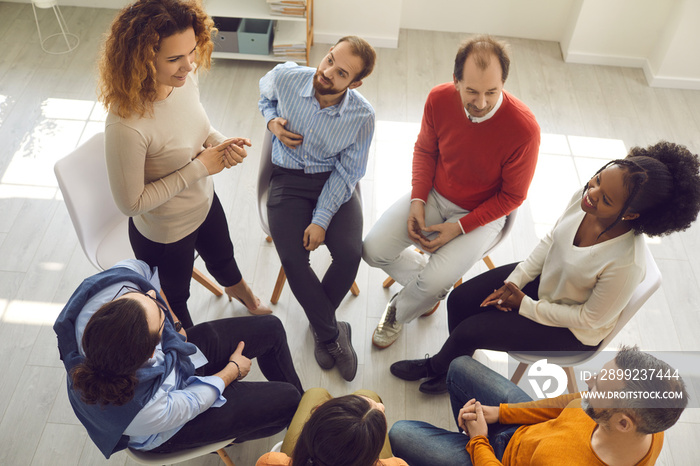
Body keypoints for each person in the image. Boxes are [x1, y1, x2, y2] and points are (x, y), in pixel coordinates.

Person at [390, 141, 700, 394]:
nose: (590, 194)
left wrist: (524, 304)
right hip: (550, 283)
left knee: (469, 331)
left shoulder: (626, 265)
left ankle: (440, 367)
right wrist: (516, 281)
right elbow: (552, 240)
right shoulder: (585, 198)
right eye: (597, 179)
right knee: (459, 301)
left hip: (570, 329)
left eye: (604, 198)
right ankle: (455, 364)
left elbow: (589, 319)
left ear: (630, 216)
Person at [99, 0, 270, 330]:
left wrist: (218, 143)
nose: (189, 65)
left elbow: (197, 127)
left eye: (192, 51)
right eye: (175, 58)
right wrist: (201, 168)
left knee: (223, 256)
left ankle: (241, 292)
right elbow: (130, 204)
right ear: (143, 58)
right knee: (175, 298)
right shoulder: (126, 124)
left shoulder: (182, 79)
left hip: (204, 201)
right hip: (165, 232)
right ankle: (191, 351)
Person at [362, 35, 540, 349]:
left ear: (503, 83)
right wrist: (418, 198)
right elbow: (425, 151)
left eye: (491, 92)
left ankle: (400, 310)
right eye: (471, 90)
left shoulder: (524, 129)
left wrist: (459, 227)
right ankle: (428, 288)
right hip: (435, 194)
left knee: (433, 281)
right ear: (455, 79)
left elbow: (512, 197)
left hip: (482, 214)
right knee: (372, 249)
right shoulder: (438, 98)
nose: (482, 103)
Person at [53, 259, 303, 458]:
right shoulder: (140, 411)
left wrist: (174, 321)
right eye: (159, 316)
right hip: (171, 426)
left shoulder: (107, 294)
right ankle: (272, 426)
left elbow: (146, 277)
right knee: (287, 400)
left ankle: (305, 410)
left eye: (144, 297)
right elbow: (194, 401)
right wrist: (233, 370)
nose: (153, 296)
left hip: (178, 363)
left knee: (271, 328)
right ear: (153, 351)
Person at [258, 36, 376, 381]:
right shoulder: (287, 77)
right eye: (328, 60)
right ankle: (331, 334)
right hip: (287, 178)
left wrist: (321, 219)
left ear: (355, 83)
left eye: (341, 73)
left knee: (351, 253)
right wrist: (271, 121)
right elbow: (264, 94)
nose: (326, 73)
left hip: (333, 181)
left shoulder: (362, 115)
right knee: (294, 259)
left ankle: (323, 327)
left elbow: (349, 171)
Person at [389, 348, 688, 466]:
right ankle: (463, 434)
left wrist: (478, 440)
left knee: (400, 433)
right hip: (530, 431)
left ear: (624, 423)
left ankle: (465, 442)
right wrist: (501, 413)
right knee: (459, 367)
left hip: (501, 457)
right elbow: (565, 404)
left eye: (598, 387)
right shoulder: (650, 422)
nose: (590, 381)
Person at [256, 388, 408, 466]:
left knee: (315, 392)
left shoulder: (271, 462)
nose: (381, 406)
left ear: (317, 411)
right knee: (367, 393)